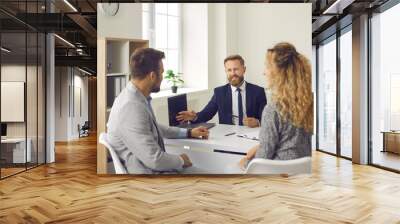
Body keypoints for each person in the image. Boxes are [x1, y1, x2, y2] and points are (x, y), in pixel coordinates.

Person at [107, 48, 209, 174]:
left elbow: (153, 127)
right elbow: (155, 160)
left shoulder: (134, 97)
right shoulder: (131, 106)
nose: (162, 78)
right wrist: (180, 160)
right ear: (152, 76)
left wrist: (188, 133)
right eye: (161, 73)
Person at [239, 42, 313, 170]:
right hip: (302, 172)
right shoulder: (309, 101)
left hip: (277, 174)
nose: (264, 72)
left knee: (232, 167)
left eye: (267, 67)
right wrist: (259, 147)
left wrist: (245, 162)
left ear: (279, 73)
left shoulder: (273, 109)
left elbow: (263, 157)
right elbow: (291, 142)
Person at [177, 55, 267, 128]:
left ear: (244, 69)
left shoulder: (258, 92)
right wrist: (194, 117)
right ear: (225, 71)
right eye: (229, 70)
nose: (233, 73)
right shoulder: (219, 92)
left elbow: (266, 120)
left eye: (236, 69)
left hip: (251, 134)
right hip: (227, 135)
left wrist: (257, 122)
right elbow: (207, 114)